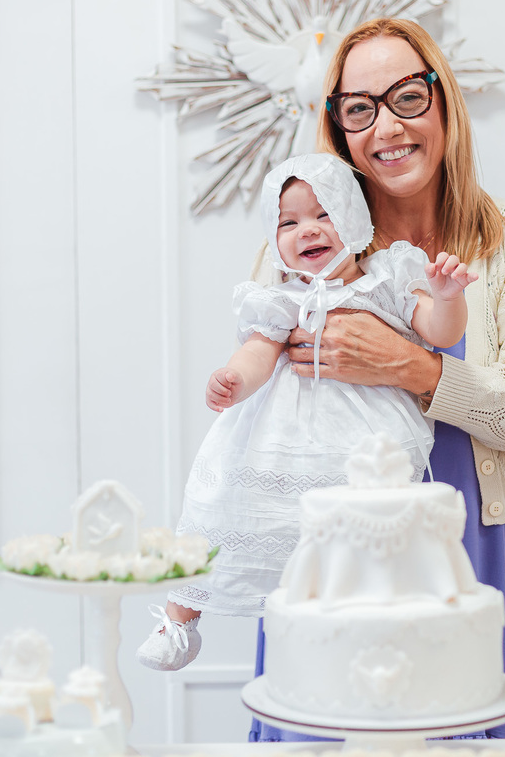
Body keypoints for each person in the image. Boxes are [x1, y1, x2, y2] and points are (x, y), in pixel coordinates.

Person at [248, 18, 505, 741]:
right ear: (338, 126)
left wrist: (418, 370)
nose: (386, 127)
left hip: (476, 554)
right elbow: (259, 425)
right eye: (359, 107)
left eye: (407, 96)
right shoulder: (302, 248)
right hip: (333, 571)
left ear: (443, 101)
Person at [136, 152, 477, 672]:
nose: (308, 230)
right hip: (280, 440)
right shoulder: (278, 300)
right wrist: (234, 380)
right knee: (220, 504)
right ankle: (180, 618)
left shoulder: (385, 279)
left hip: (362, 439)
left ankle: (365, 629)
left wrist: (447, 296)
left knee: (361, 532)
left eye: (324, 214)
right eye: (289, 221)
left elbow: (440, 332)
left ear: (355, 218)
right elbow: (257, 352)